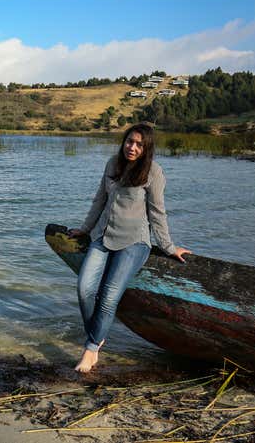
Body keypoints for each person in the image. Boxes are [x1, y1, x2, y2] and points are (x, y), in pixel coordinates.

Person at [67, 123, 190, 373]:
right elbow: (99, 200)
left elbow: (157, 213)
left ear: (146, 149)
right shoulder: (113, 164)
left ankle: (90, 350)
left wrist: (168, 247)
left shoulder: (154, 173)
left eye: (138, 144)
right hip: (102, 235)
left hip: (134, 242)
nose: (132, 147)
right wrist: (85, 228)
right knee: (84, 288)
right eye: (129, 141)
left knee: (109, 296)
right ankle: (98, 336)